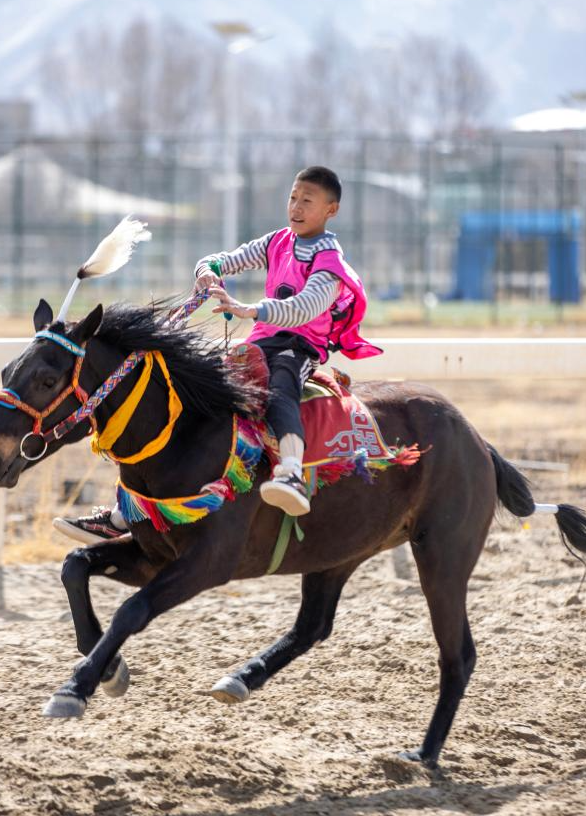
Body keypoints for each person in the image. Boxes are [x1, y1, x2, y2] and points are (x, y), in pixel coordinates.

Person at [53, 166, 380, 545]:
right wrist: (207, 271)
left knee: (281, 388)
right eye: (293, 197)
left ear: (331, 210)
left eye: (307, 200)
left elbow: (304, 308)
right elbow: (225, 259)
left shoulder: (330, 265)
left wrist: (251, 310)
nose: (296, 206)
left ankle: (290, 470)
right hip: (259, 342)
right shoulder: (277, 241)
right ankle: (124, 513)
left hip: (298, 347)